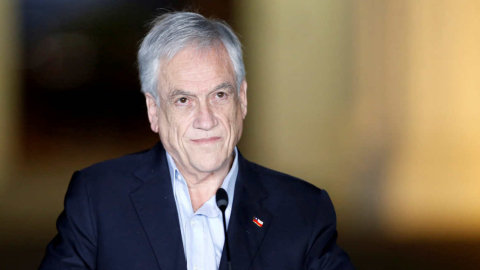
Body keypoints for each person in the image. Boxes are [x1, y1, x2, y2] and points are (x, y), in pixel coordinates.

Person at [39, 12, 355, 270]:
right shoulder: (97, 199)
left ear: (242, 100)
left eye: (219, 95)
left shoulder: (303, 209)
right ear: (154, 111)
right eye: (183, 100)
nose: (206, 120)